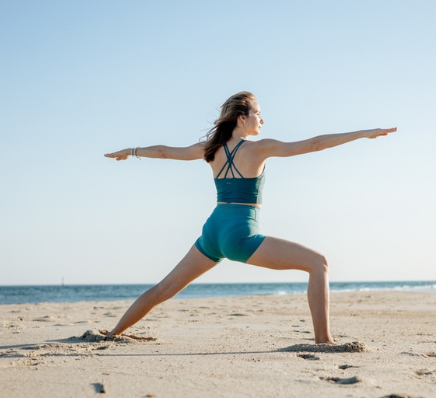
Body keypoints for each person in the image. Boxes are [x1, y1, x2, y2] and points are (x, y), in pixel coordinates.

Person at [104, 91, 396, 344]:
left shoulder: (210, 149)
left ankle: (113, 333)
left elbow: (164, 152)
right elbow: (315, 144)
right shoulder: (259, 148)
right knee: (318, 263)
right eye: (258, 113)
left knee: (164, 288)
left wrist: (130, 151)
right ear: (241, 118)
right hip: (239, 234)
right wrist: (362, 133)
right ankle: (324, 341)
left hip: (213, 231)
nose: (262, 119)